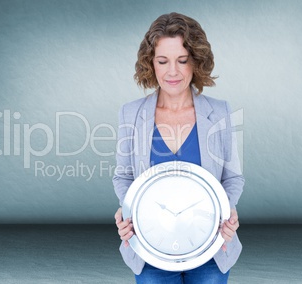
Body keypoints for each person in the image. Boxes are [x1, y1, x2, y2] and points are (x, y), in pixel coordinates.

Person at [113, 12, 244, 283]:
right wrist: (127, 211)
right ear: (151, 64)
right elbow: (124, 176)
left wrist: (226, 211)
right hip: (150, 248)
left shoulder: (219, 112)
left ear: (196, 62)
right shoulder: (130, 114)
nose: (172, 71)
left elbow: (233, 178)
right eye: (163, 61)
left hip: (211, 247)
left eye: (182, 60)